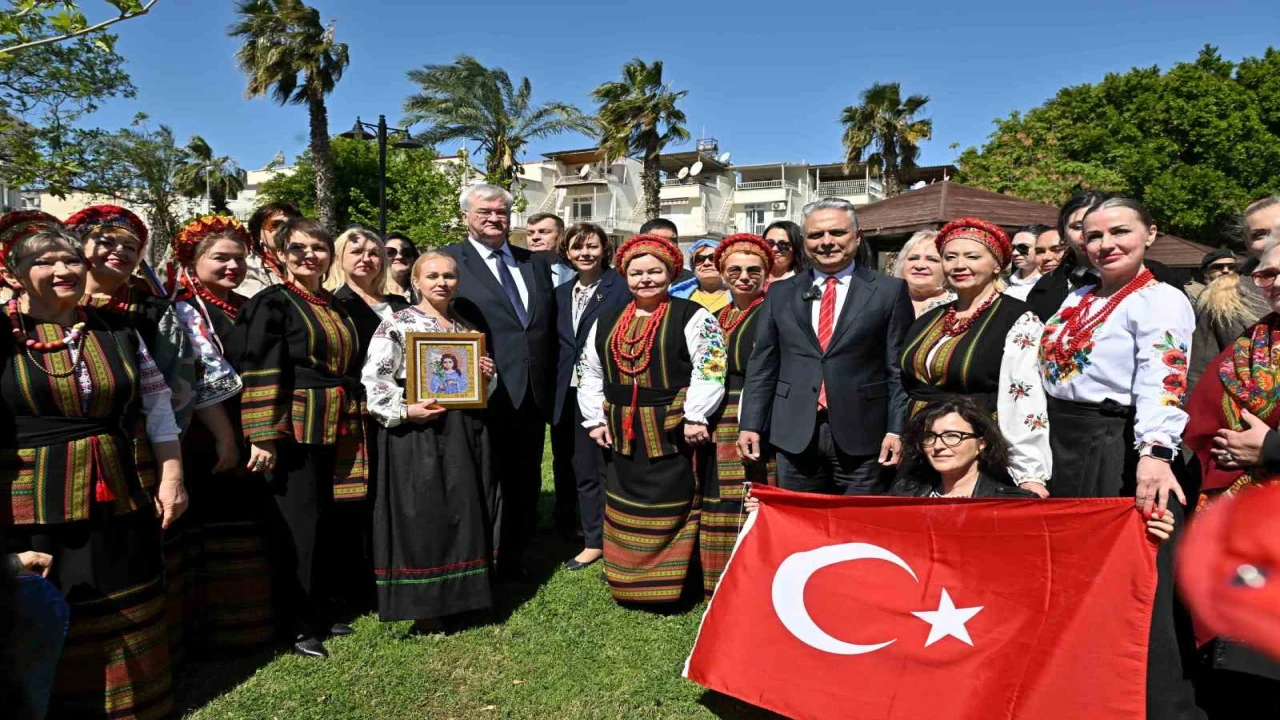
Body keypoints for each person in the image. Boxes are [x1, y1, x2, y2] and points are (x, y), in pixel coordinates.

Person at [0, 219, 186, 718]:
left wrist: (171, 477)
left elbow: (158, 405)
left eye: (72, 261)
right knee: (45, 600)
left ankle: (133, 706)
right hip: (27, 493)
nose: (63, 270)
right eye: (45, 261)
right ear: (15, 274)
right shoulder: (2, 331)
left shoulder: (117, 328)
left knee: (121, 589)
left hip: (116, 483)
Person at [1038, 196, 1202, 720]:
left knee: (1132, 581)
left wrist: (1154, 454)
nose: (1105, 244)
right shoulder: (1079, 296)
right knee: (1076, 580)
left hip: (1117, 444)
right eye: (1093, 235)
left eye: (1120, 232)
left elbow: (1165, 377)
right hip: (1064, 442)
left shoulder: (1160, 299)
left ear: (1150, 233)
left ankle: (1154, 706)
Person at [67, 204, 239, 663]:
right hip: (65, 451)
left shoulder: (154, 310)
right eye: (106, 242)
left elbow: (189, 381)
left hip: (149, 445)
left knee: (150, 548)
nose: (119, 251)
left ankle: (154, 656)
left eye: (129, 245)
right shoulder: (42, 308)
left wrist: (222, 437)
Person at [231, 216, 368, 659]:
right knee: (297, 522)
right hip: (293, 427)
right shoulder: (272, 303)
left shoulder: (333, 304)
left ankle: (321, 607)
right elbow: (259, 368)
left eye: (319, 248)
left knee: (328, 518)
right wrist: (262, 435)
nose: (309, 255)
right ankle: (294, 622)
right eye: (298, 249)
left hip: (337, 420)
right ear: (281, 255)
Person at [577, 233, 726, 605]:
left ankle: (671, 583)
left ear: (672, 273)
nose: (645, 279)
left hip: (671, 426)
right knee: (623, 495)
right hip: (618, 426)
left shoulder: (693, 315)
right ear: (625, 276)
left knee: (672, 496)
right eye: (636, 272)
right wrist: (594, 419)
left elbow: (710, 368)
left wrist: (696, 415)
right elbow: (590, 371)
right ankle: (626, 576)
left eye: (654, 271)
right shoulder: (607, 319)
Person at [361, 251, 500, 632]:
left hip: (463, 430)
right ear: (416, 282)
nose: (442, 283)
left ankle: (464, 597)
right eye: (433, 276)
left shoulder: (464, 326)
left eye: (449, 276)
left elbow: (480, 389)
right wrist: (406, 411)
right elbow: (375, 381)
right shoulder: (398, 323)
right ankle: (424, 604)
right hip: (418, 434)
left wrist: (486, 373)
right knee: (423, 515)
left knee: (463, 511)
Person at [738, 198, 913, 495]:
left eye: (837, 233)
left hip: (864, 434)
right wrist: (750, 423)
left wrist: (897, 430)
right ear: (805, 242)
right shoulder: (780, 293)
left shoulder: (889, 291)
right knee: (801, 529)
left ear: (857, 238)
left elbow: (897, 369)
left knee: (858, 528)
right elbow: (763, 364)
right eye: (816, 235)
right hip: (794, 433)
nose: (827, 242)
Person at [169, 215, 276, 650]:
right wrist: (226, 436)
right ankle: (213, 629)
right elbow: (197, 378)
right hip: (209, 435)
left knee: (244, 524)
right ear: (194, 261)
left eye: (239, 259)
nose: (232, 267)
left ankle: (247, 622)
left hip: (243, 424)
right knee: (211, 527)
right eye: (220, 258)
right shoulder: (186, 310)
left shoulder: (239, 304)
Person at [1183, 238, 1280, 717]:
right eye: (1267, 274)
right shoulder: (1254, 340)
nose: (1276, 282)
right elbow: (1200, 413)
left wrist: (1271, 449)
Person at [441, 184, 556, 580]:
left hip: (532, 391)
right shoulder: (450, 261)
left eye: (500, 212)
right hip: (480, 391)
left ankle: (517, 554)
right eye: (483, 211)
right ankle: (480, 555)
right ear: (465, 217)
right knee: (483, 476)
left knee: (525, 477)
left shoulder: (535, 262)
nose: (493, 218)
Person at [899, 218, 1051, 495]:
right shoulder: (931, 316)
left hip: (976, 449)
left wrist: (1029, 472)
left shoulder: (1017, 318)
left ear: (997, 265)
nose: (959, 265)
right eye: (950, 257)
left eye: (972, 256)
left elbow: (1023, 396)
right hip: (922, 447)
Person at [700, 234, 776, 596]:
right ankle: (719, 580)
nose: (744, 276)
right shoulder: (715, 316)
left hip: (758, 407)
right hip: (718, 409)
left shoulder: (774, 311)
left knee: (755, 487)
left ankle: (756, 580)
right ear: (722, 273)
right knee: (718, 490)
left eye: (753, 270)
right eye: (735, 270)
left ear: (765, 273)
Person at [550, 223, 630, 568]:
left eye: (592, 246)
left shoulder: (620, 289)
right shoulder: (560, 293)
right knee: (567, 462)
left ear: (605, 249)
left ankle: (597, 539)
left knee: (593, 468)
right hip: (564, 392)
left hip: (600, 391)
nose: (585, 253)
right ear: (566, 252)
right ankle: (573, 525)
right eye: (577, 247)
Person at [1026, 190, 1182, 322]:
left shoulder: (1161, 279)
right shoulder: (1044, 286)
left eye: (1115, 229)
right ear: (1063, 234)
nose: (1087, 234)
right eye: (1078, 227)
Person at [1188, 197, 1278, 389]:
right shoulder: (1222, 294)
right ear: (1247, 243)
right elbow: (1200, 372)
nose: (1273, 240)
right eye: (1260, 234)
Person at [889, 398, 1038, 499]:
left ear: (981, 443)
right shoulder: (904, 496)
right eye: (929, 436)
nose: (938, 446)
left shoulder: (1013, 503)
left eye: (952, 436)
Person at [328, 226, 411, 366]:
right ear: (338, 258)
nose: (366, 259)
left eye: (374, 254)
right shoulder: (330, 303)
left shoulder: (401, 304)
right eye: (357, 252)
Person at [239, 201, 303, 297]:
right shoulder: (247, 270)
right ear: (257, 234)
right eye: (276, 225)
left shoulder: (312, 262)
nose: (285, 230)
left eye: (292, 225)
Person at [890, 230, 955, 317]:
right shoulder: (884, 301)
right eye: (913, 258)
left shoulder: (960, 306)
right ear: (902, 263)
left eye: (932, 259)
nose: (919, 266)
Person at [671, 238, 729, 312]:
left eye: (713, 258)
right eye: (699, 259)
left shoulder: (741, 296)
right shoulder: (675, 298)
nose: (706, 263)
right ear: (693, 268)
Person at [638, 218, 692, 284]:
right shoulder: (625, 281)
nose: (668, 245)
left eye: (672, 240)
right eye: (659, 240)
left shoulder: (692, 281)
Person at [527, 213, 574, 286]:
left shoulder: (576, 270)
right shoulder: (516, 269)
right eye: (530, 233)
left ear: (561, 234)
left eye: (544, 232)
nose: (535, 237)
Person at [1003, 224, 1047, 300]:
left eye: (1023, 247)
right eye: (1013, 248)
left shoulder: (1054, 284)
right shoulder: (1002, 283)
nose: (1015, 253)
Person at [383, 232, 420, 303]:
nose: (399, 257)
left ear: (414, 259)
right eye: (390, 252)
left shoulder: (423, 293)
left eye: (407, 252)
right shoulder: (370, 294)